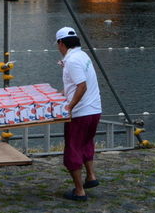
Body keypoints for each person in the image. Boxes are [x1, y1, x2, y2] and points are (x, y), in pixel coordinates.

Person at [56, 26, 102, 202]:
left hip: (80, 113)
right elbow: (76, 84)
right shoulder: (82, 55)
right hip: (94, 110)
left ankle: (80, 191)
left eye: (58, 44)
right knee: (86, 143)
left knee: (73, 148)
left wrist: (70, 106)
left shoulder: (73, 60)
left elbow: (82, 86)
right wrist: (62, 93)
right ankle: (91, 176)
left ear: (61, 43)